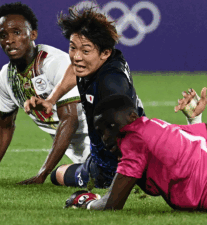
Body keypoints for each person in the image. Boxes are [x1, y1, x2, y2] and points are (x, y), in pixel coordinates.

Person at [25, 5, 145, 188]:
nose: (76, 57)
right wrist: (51, 100)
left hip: (114, 168)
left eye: (85, 51)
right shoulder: (91, 64)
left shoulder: (112, 84)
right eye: (73, 48)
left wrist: (125, 176)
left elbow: (128, 131)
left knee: (63, 177)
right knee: (57, 175)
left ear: (105, 53)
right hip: (96, 159)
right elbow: (73, 70)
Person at [0, 2, 90, 184]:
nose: (10, 40)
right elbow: (5, 125)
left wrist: (42, 174)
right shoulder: (6, 77)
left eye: (17, 32)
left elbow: (70, 120)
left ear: (33, 34)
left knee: (60, 176)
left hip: (106, 144)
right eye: (3, 35)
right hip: (83, 157)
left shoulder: (55, 63)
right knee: (60, 176)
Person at [65, 88, 207, 211]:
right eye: (101, 132)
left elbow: (111, 204)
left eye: (110, 126)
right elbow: (198, 144)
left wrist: (87, 202)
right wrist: (194, 120)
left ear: (133, 117)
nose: (106, 137)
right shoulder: (156, 126)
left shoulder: (132, 138)